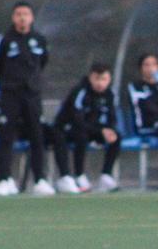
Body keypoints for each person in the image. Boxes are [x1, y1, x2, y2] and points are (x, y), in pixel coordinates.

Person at [0, 1, 51, 197]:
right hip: (10, 94)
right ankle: (4, 179)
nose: (22, 18)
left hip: (32, 94)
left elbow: (42, 63)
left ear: (32, 17)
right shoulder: (4, 39)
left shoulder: (39, 39)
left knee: (36, 135)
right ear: (13, 17)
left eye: (26, 14)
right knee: (6, 135)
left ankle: (40, 179)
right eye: (18, 14)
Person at [51, 62, 120, 194]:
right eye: (97, 79)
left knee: (117, 136)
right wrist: (100, 131)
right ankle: (78, 175)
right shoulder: (80, 91)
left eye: (104, 79)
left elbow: (112, 117)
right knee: (81, 135)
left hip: (92, 129)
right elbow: (78, 120)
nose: (100, 83)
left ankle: (106, 175)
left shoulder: (110, 94)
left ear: (109, 79)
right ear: (90, 77)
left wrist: (110, 130)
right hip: (69, 128)